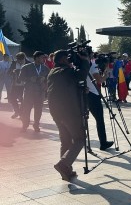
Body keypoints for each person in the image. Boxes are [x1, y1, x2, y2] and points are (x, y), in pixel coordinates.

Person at [47, 50, 90, 181]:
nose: (70, 60)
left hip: (56, 112)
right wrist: (84, 61)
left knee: (65, 140)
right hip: (69, 111)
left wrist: (80, 90)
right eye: (68, 58)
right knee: (80, 138)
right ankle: (64, 164)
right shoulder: (65, 71)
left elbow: (66, 87)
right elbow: (81, 75)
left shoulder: (53, 72)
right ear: (62, 60)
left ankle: (66, 171)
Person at [86, 53, 114, 150]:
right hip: (93, 94)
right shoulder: (93, 66)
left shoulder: (83, 66)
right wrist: (105, 74)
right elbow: (100, 80)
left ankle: (81, 140)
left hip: (85, 94)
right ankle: (103, 142)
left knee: (84, 119)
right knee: (100, 120)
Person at [19, 51, 50, 132]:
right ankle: (25, 125)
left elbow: (49, 79)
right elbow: (20, 78)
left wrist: (45, 82)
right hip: (29, 92)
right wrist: (29, 79)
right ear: (36, 58)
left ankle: (36, 124)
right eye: (42, 57)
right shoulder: (26, 67)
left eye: (44, 58)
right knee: (27, 109)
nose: (44, 59)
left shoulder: (45, 68)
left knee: (38, 110)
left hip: (40, 93)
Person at [8, 52, 28, 119]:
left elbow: (31, 74)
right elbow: (9, 72)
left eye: (20, 60)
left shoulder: (29, 63)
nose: (19, 61)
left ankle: (21, 113)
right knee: (12, 98)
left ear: (24, 58)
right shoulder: (14, 63)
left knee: (23, 100)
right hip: (15, 84)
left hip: (25, 85)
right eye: (18, 60)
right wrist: (13, 71)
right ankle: (17, 112)